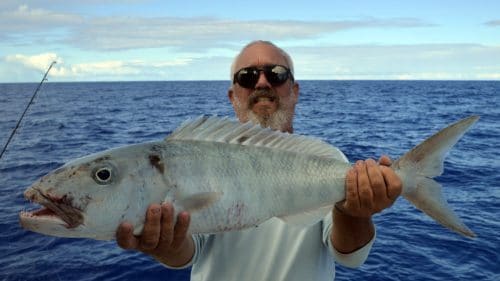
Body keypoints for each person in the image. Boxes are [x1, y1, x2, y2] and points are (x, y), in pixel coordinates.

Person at [116, 40, 402, 280]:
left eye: (276, 74)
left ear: (295, 90)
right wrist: (164, 244)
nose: (262, 83)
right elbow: (188, 253)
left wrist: (354, 212)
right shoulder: (196, 157)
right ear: (232, 95)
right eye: (247, 76)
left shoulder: (329, 163)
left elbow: (349, 256)